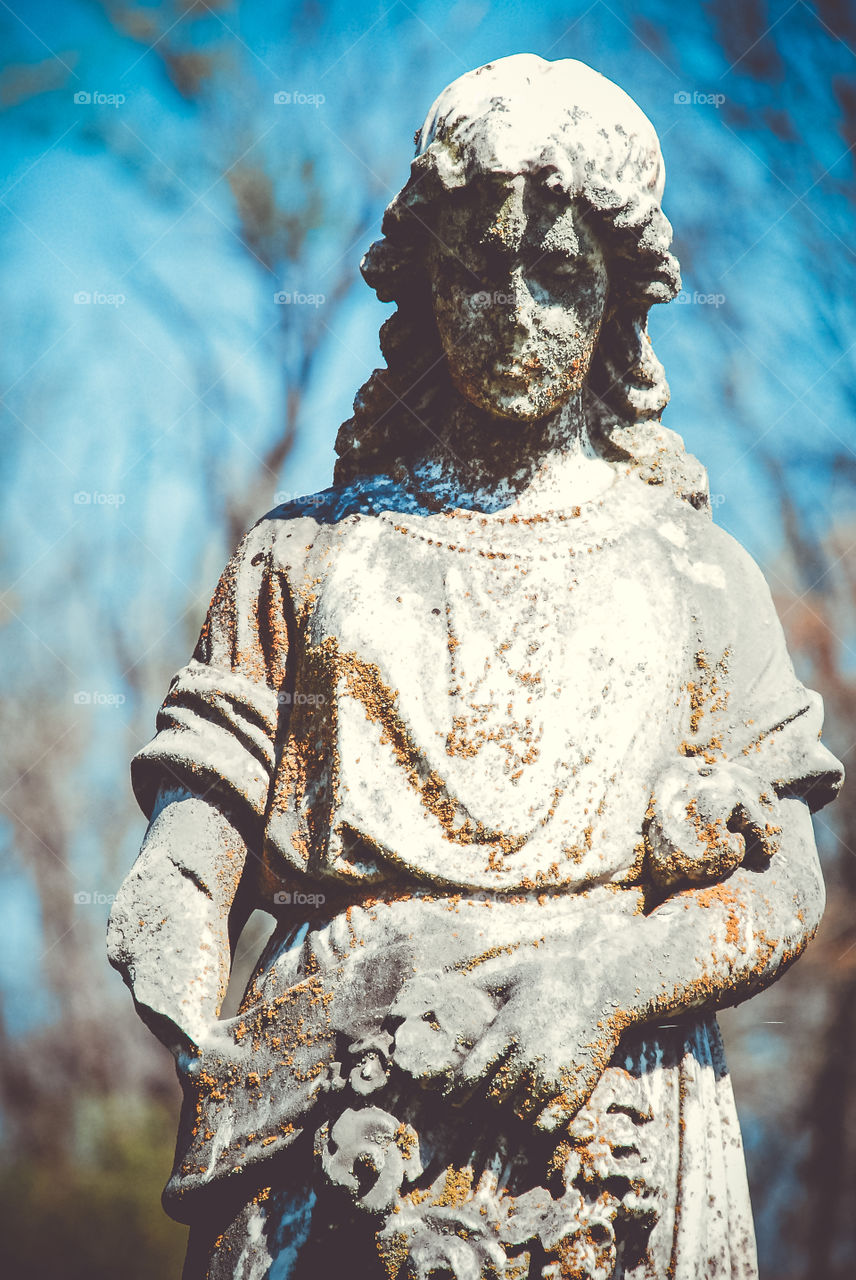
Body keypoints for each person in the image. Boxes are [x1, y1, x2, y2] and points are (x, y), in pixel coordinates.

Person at [108, 55, 843, 1279]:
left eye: (557, 275)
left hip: (614, 1131)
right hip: (328, 1120)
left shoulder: (697, 574)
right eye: (475, 268)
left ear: (620, 294)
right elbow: (192, 852)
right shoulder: (302, 556)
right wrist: (194, 1008)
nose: (513, 310)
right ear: (422, 278)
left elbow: (782, 884)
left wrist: (609, 982)